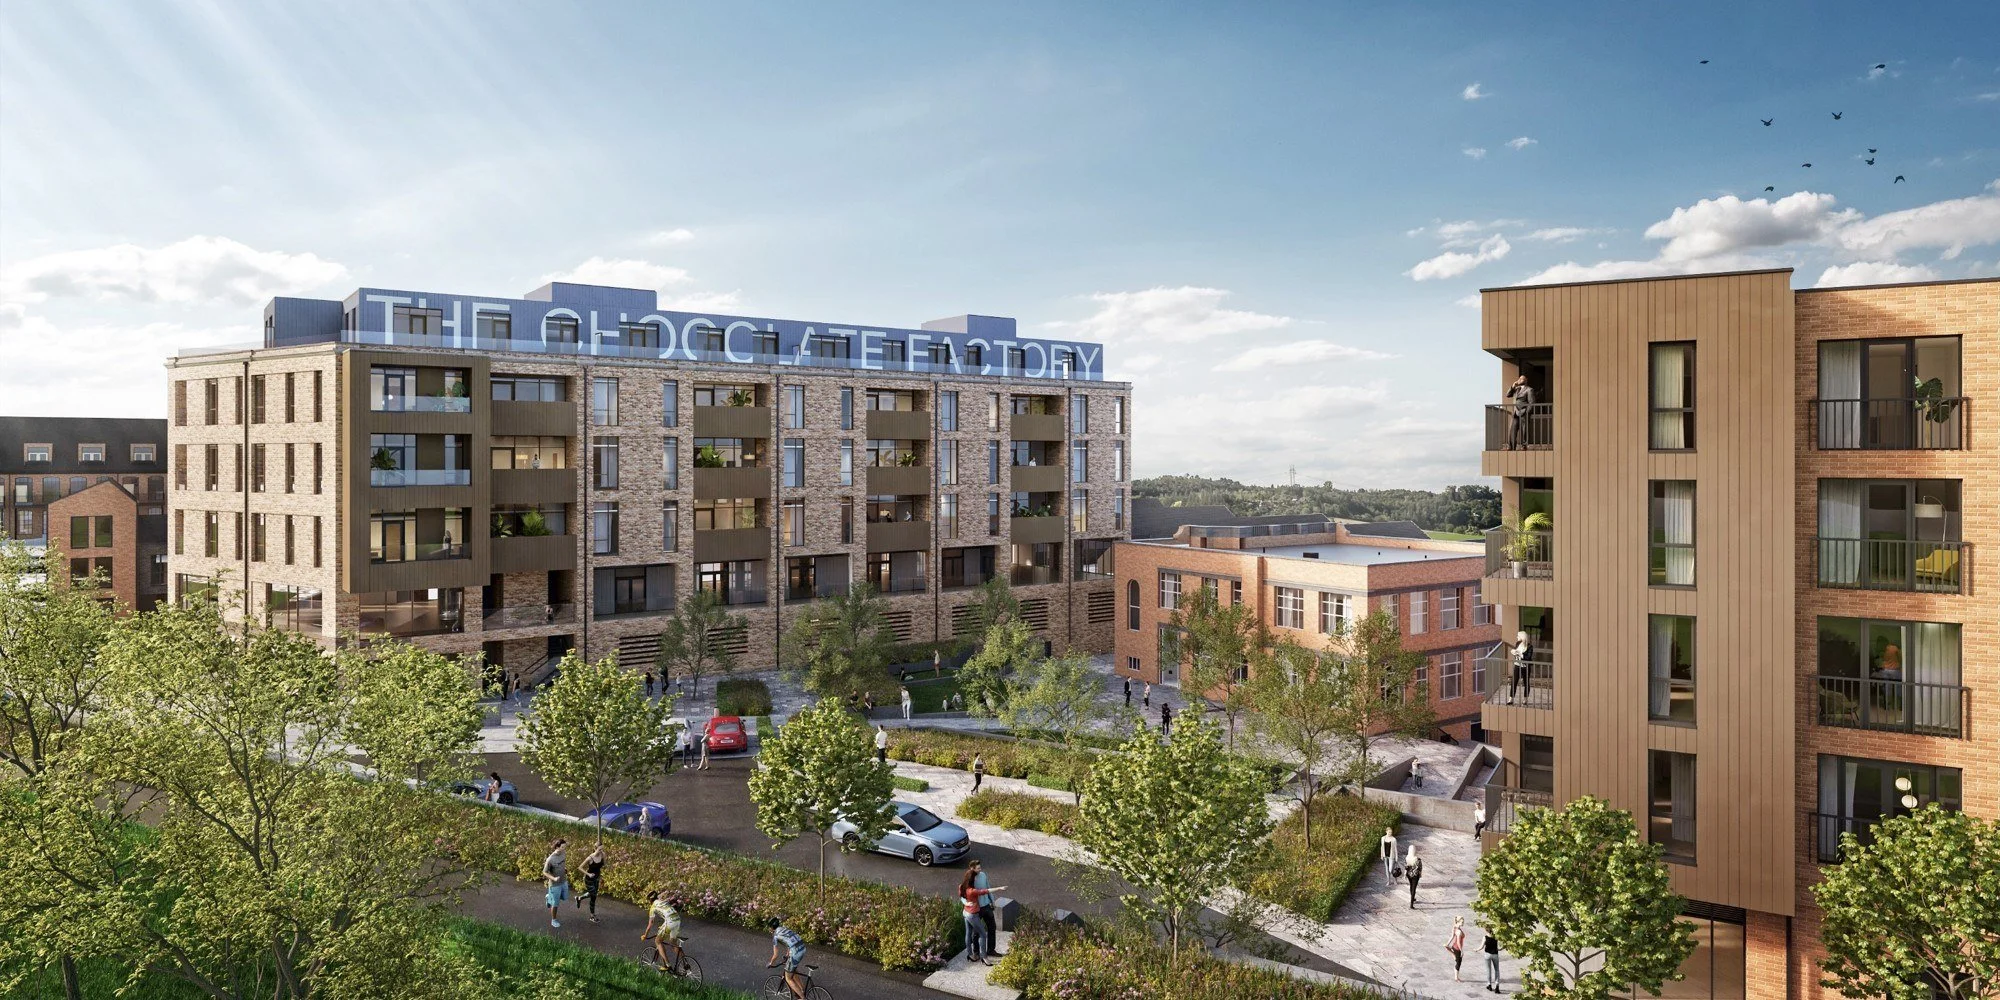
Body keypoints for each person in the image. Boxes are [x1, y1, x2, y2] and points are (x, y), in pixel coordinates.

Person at [959, 869, 1007, 965]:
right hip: (973, 914)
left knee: (968, 933)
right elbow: (986, 891)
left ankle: (971, 955)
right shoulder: (972, 891)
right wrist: (1000, 888)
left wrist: (966, 903)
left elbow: (962, 897)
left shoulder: (961, 887)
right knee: (982, 934)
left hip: (966, 912)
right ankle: (984, 957)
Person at [641, 888, 686, 973]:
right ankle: (685, 963)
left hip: (669, 922)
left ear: (650, 901)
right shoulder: (662, 901)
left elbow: (650, 924)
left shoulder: (653, 907)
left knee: (658, 941)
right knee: (673, 943)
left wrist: (645, 935)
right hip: (677, 920)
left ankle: (667, 965)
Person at [766, 917, 808, 999]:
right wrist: (787, 954)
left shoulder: (776, 936)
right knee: (792, 970)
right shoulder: (784, 929)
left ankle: (803, 998)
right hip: (802, 948)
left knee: (788, 978)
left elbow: (775, 955)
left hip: (796, 953)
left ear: (771, 927)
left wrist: (771, 963)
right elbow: (789, 942)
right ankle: (802, 989)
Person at [970, 859, 1003, 957]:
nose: (980, 870)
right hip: (977, 908)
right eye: (978, 868)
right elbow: (965, 893)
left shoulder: (983, 875)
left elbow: (988, 888)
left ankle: (991, 950)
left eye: (980, 868)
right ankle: (976, 952)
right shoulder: (970, 879)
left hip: (986, 906)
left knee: (992, 927)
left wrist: (992, 901)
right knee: (976, 931)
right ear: (972, 868)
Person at [542, 839, 569, 928]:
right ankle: (553, 920)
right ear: (557, 847)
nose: (564, 848)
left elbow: (562, 864)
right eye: (562, 847)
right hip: (555, 885)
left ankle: (549, 897)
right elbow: (545, 872)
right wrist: (554, 878)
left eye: (565, 847)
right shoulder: (550, 859)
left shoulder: (563, 853)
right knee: (555, 904)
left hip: (563, 881)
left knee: (564, 897)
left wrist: (564, 869)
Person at [1505, 373, 1536, 450]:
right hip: (1515, 413)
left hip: (1524, 412)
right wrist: (1513, 386)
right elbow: (1508, 395)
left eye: (1521, 379)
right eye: (1519, 378)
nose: (1519, 380)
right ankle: (1511, 446)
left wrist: (1527, 412)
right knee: (1512, 430)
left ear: (1526, 380)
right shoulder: (1516, 389)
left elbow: (1531, 402)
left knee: (1524, 430)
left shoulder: (1529, 389)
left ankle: (1524, 446)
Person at [576, 844, 605, 923]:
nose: (601, 851)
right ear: (595, 848)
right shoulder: (590, 858)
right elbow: (580, 867)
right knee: (593, 896)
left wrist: (604, 857)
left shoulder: (602, 855)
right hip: (589, 879)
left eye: (602, 849)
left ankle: (579, 898)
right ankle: (592, 916)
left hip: (597, 878)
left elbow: (603, 865)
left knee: (592, 893)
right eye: (599, 850)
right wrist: (588, 874)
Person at [1508, 631, 1532, 705]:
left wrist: (1520, 654)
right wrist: (1513, 652)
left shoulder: (1530, 646)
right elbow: (1515, 652)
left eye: (1518, 636)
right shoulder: (1518, 643)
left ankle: (1525, 699)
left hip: (1525, 667)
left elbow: (1528, 657)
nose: (1517, 637)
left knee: (1526, 683)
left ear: (1522, 637)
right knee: (1514, 682)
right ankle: (1511, 699)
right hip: (1517, 665)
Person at [1447, 915, 1466, 981]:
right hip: (1457, 948)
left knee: (1457, 960)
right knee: (1458, 962)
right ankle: (1456, 978)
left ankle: (1451, 951)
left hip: (1454, 947)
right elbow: (1458, 942)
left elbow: (1451, 936)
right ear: (1458, 922)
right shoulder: (1459, 931)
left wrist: (1447, 944)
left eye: (1463, 921)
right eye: (1462, 922)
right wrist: (1462, 951)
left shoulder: (1454, 927)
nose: (1463, 923)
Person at [1405, 844, 1424, 909]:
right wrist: (1420, 874)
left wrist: (1405, 874)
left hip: (1409, 874)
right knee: (1414, 888)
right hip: (1415, 875)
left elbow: (1406, 867)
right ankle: (1411, 903)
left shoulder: (1407, 858)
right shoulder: (1417, 859)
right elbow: (1420, 868)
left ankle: (1412, 898)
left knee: (1411, 886)